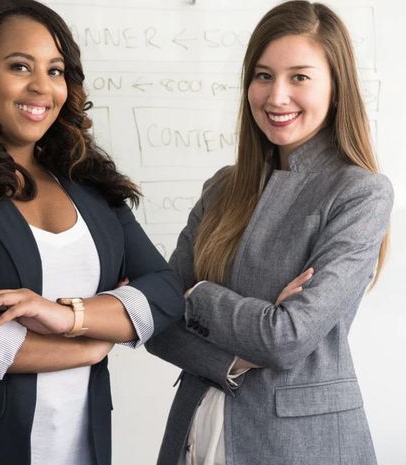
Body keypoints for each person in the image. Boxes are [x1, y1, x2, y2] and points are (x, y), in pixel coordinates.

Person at [0, 1, 184, 464]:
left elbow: (163, 291)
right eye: (20, 66)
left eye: (56, 70)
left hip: (78, 446)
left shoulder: (90, 186)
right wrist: (89, 347)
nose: (42, 86)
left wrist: (69, 318)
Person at [145, 2, 393, 464]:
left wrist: (195, 293)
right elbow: (156, 322)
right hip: (197, 426)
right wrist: (231, 361)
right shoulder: (223, 186)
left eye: (299, 77)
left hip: (300, 444)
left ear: (336, 88)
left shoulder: (360, 193)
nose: (276, 96)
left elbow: (286, 338)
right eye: (263, 76)